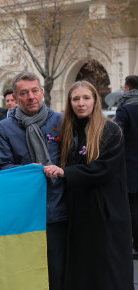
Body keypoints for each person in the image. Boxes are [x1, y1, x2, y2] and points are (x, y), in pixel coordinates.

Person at [44, 80, 133, 290]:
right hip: (79, 213)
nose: (80, 103)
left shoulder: (110, 130)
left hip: (106, 213)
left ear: (95, 101)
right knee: (84, 270)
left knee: (107, 272)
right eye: (75, 99)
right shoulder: (68, 131)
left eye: (86, 98)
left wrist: (66, 172)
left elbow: (103, 169)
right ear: (69, 102)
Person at [0, 72, 66, 290]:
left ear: (42, 93)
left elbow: (71, 162)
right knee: (26, 271)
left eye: (35, 91)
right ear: (16, 97)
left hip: (58, 209)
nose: (31, 97)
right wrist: (28, 172)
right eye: (24, 93)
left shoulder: (60, 122)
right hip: (23, 213)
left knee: (58, 269)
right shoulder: (3, 128)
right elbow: (3, 168)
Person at [115, 75, 138, 257]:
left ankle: (135, 243)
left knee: (132, 206)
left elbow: (116, 137)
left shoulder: (125, 109)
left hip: (130, 167)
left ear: (128, 89)